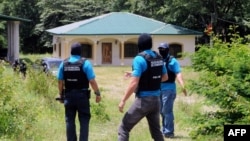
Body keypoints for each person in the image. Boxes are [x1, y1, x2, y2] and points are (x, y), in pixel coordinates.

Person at [118, 33, 168, 141]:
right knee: (156, 132)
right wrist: (135, 74)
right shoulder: (159, 57)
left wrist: (123, 100)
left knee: (124, 128)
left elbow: (133, 83)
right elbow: (165, 77)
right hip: (156, 101)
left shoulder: (139, 59)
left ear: (139, 44)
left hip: (143, 101)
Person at [57, 42, 101, 141]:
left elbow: (60, 81)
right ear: (80, 52)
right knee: (84, 120)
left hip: (68, 95)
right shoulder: (85, 63)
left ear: (71, 52)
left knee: (69, 121)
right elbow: (92, 81)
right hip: (82, 97)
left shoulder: (63, 63)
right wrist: (97, 93)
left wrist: (61, 94)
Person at [158, 42, 187, 138]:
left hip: (169, 89)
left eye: (163, 49)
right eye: (160, 49)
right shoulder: (158, 60)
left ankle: (169, 132)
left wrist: (182, 86)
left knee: (167, 111)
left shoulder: (172, 61)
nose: (161, 50)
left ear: (167, 49)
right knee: (161, 111)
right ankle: (164, 130)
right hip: (158, 89)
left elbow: (178, 73)